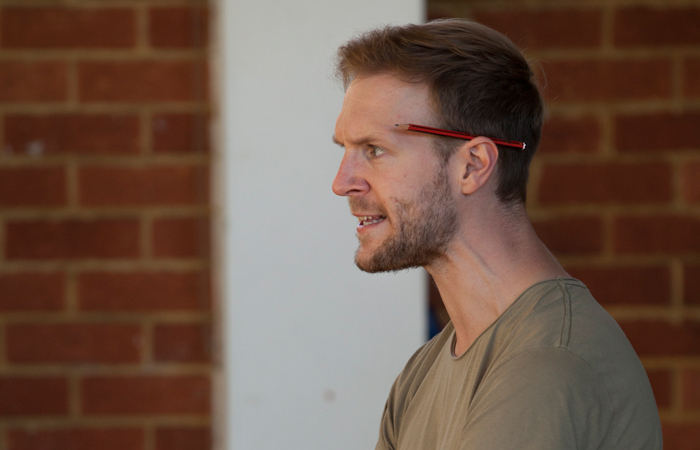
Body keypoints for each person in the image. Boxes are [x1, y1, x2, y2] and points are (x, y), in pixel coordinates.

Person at [331, 19, 662, 449]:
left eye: (374, 150)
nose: (342, 182)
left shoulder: (547, 362)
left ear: (473, 166)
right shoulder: (420, 377)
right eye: (345, 150)